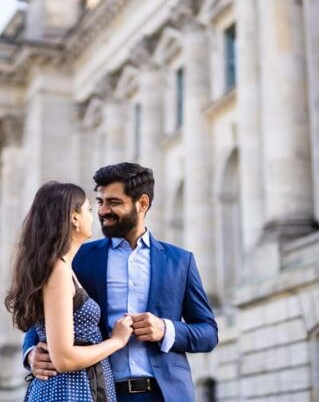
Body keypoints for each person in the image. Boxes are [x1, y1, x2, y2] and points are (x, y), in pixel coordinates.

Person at [23, 163, 218, 401]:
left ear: (142, 204)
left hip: (165, 394)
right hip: (99, 391)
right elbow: (42, 316)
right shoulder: (79, 259)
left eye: (113, 202)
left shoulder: (180, 261)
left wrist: (166, 329)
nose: (103, 211)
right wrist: (31, 353)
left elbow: (208, 332)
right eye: (100, 201)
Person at [6, 181, 135, 401]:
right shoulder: (58, 273)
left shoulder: (62, 269)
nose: (94, 217)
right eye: (89, 210)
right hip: (68, 391)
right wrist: (117, 341)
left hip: (76, 387)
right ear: (74, 218)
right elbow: (64, 359)